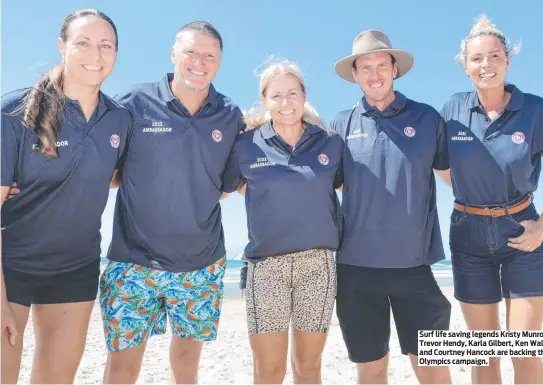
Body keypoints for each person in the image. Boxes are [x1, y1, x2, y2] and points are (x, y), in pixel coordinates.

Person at [98, 21, 245, 384]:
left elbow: (225, 186)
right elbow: (105, 170)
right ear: (173, 54)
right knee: (122, 368)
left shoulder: (229, 114)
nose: (199, 61)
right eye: (191, 52)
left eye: (209, 55)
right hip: (133, 262)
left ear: (220, 62)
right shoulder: (133, 101)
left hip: (201, 265)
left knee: (186, 367)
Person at [1, 9, 130, 384]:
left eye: (106, 45)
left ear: (116, 53)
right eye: (83, 43)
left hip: (75, 269)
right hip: (10, 267)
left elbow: (112, 175)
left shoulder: (119, 119)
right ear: (62, 47)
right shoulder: (14, 113)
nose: (96, 54)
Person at [439, 15, 543, 384]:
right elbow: (438, 163)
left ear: (507, 60)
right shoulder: (453, 109)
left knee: (524, 350)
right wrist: (472, 195)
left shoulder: (537, 110)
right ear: (465, 66)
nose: (487, 65)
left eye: (495, 56)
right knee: (484, 356)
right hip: (467, 236)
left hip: (522, 233)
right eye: (477, 59)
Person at [331, 30, 451, 384]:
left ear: (394, 68)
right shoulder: (339, 124)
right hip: (355, 268)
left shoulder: (428, 118)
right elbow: (323, 183)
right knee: (370, 367)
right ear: (354, 74)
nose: (374, 74)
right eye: (364, 67)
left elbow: (456, 179)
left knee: (431, 366)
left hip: (414, 266)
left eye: (381, 64)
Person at [222, 59, 343, 384]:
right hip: (266, 269)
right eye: (276, 95)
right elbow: (220, 190)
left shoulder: (329, 142)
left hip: (317, 267)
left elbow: (354, 190)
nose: (285, 102)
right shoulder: (246, 144)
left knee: (308, 368)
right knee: (269, 371)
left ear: (304, 95)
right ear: (264, 100)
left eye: (292, 93)